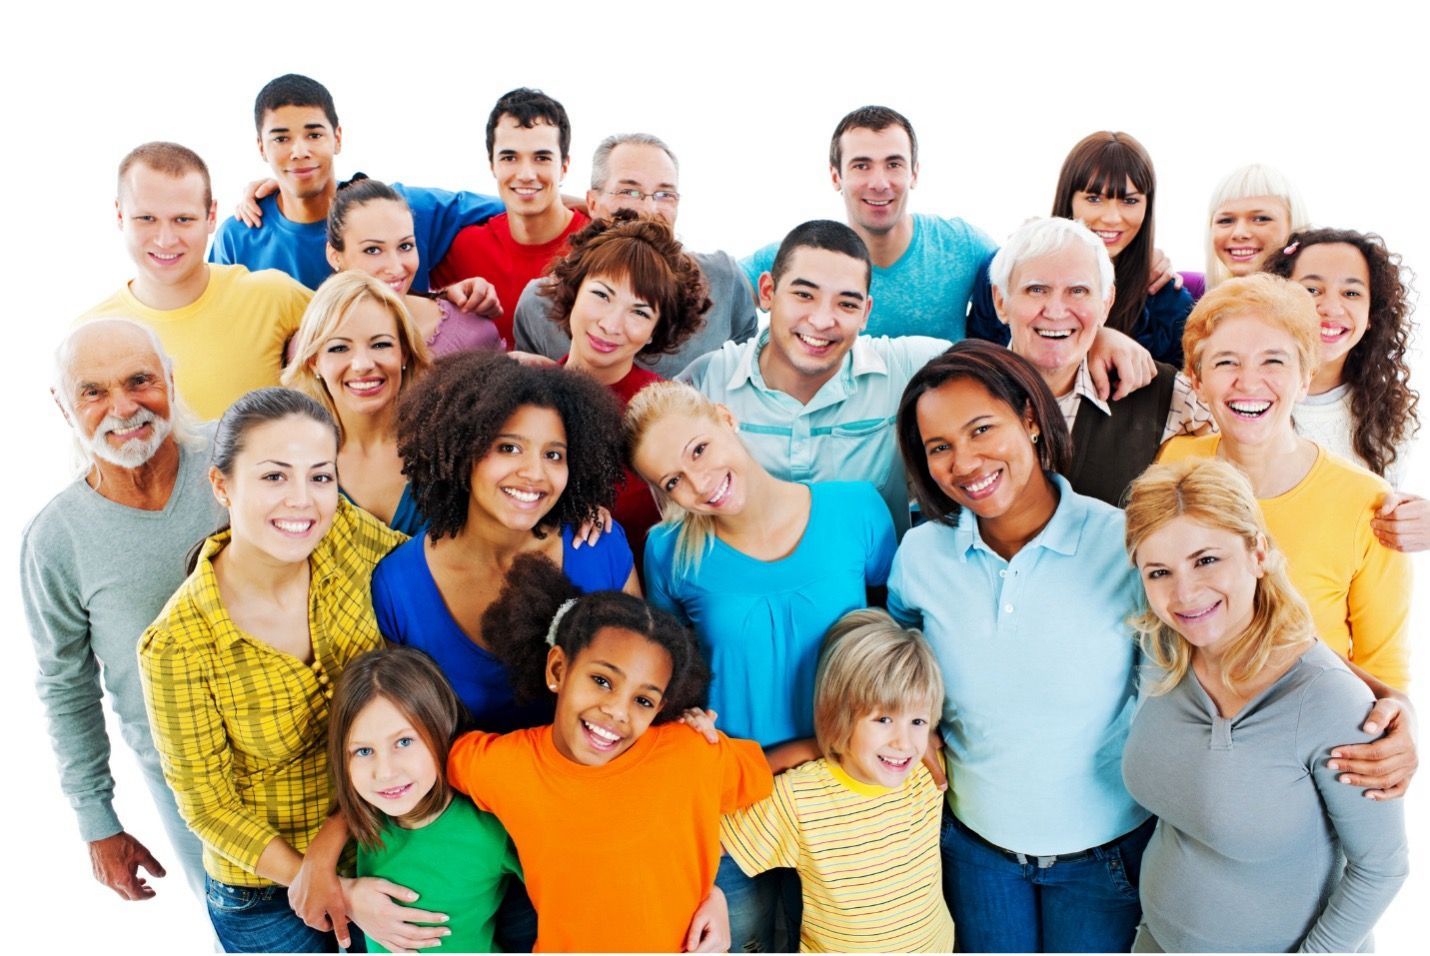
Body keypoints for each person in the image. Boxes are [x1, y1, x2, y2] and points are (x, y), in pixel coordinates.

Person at [888, 340, 1152, 953]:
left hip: (1106, 854)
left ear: (1030, 418)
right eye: (939, 447)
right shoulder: (921, 554)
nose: (965, 462)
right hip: (976, 849)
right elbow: (901, 652)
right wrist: (917, 724)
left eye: (982, 429)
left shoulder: (1124, 544)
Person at [627, 379, 897, 951]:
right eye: (672, 481)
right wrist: (685, 717)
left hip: (845, 790)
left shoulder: (857, 509)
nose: (698, 483)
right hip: (735, 803)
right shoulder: (667, 551)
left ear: (725, 418)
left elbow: (897, 637)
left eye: (699, 450)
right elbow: (672, 676)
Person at [138, 388, 407, 953]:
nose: (303, 501)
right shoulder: (177, 645)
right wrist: (326, 882)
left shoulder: (343, 533)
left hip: (381, 840)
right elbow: (209, 808)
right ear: (222, 486)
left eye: (320, 476)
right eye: (274, 476)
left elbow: (431, 571)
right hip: (265, 897)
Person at [1121, 458, 1408, 952]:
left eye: (1206, 560)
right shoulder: (1165, 653)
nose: (1184, 593)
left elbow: (1381, 868)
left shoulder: (1331, 702)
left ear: (1258, 553)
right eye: (1160, 572)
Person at [447, 554, 772, 952]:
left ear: (661, 707)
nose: (618, 711)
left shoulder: (691, 750)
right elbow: (434, 763)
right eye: (602, 680)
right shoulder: (503, 765)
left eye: (643, 700)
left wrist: (708, 885)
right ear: (557, 669)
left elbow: (762, 776)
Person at [21, 320, 222, 906]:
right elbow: (66, 686)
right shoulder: (55, 539)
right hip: (189, 791)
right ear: (63, 405)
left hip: (316, 752)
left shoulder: (239, 457)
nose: (124, 407)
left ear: (171, 380)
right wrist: (97, 822)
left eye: (139, 380)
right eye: (94, 391)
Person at [1159, 273, 1412, 688]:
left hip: (1313, 718)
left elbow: (1384, 670)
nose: (1249, 382)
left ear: (1305, 378)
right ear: (1197, 382)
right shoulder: (1173, 463)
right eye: (1226, 362)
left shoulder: (1366, 502)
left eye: (1273, 361)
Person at [372, 351, 637, 728]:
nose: (535, 473)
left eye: (554, 455)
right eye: (508, 448)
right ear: (462, 450)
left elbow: (643, 678)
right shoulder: (398, 587)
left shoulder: (598, 546)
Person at [680, 219, 949, 536]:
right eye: (804, 295)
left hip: (874, 567)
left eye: (846, 304)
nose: (822, 321)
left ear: (865, 313)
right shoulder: (706, 381)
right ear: (768, 292)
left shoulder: (903, 367)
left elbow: (995, 370)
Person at [719, 608, 955, 953]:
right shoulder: (799, 798)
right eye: (884, 719)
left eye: (917, 722)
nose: (903, 742)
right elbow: (711, 839)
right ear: (839, 715)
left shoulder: (926, 773)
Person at [987, 217, 1212, 506]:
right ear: (1001, 301)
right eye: (1037, 289)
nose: (1055, 311)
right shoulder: (963, 393)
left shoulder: (1166, 394)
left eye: (1078, 291)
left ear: (1106, 304)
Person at [80, 142, 311, 420]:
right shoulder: (91, 335)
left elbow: (360, 319)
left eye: (183, 219)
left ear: (211, 216)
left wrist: (302, 195)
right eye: (146, 218)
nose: (165, 240)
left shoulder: (273, 296)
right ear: (120, 215)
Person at [210, 73, 504, 292]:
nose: (299, 151)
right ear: (261, 147)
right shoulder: (238, 236)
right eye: (281, 139)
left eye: (314, 135)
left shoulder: (399, 211)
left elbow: (511, 207)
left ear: (337, 138)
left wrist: (449, 297)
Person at [513, 132, 758, 376]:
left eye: (665, 195)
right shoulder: (538, 304)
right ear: (593, 203)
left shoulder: (725, 280)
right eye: (629, 192)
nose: (648, 209)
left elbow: (751, 374)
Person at [328, 646, 521, 954]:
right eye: (364, 751)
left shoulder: (490, 827)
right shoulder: (368, 818)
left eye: (404, 741)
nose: (385, 772)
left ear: (441, 729)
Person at [741, 106, 995, 340]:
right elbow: (724, 288)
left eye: (893, 164)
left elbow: (1015, 289)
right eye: (862, 166)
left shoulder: (962, 246)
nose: (879, 183)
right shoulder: (798, 256)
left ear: (914, 173)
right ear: (836, 176)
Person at [544, 212, 711, 559]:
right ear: (574, 291)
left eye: (640, 312)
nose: (611, 324)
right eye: (601, 295)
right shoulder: (529, 394)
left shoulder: (668, 413)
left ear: (655, 330)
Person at [969, 131, 1194, 367]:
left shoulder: (1169, 305)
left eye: (1129, 201)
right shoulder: (1004, 272)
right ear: (1069, 198)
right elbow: (976, 364)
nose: (1112, 218)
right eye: (1094, 199)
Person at [432, 88, 590, 344]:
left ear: (564, 166)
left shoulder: (599, 243)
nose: (526, 174)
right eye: (509, 157)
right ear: (492, 164)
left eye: (541, 158)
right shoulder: (465, 248)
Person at [282, 270, 434, 535]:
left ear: (404, 353)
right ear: (314, 362)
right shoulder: (289, 460)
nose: (362, 364)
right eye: (339, 348)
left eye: (381, 345)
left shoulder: (444, 445)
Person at [1265, 228, 1420, 486]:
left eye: (1351, 293)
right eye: (1312, 290)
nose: (1331, 309)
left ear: (1372, 315)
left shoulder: (1388, 415)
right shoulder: (1242, 393)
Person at [323, 176, 504, 355]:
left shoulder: (470, 332)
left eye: (405, 246)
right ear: (335, 256)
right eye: (373, 250)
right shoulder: (315, 339)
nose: (396, 268)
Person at [1202, 162, 1310, 292]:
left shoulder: (1319, 301)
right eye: (1226, 220)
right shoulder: (1193, 290)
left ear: (1293, 226)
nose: (1239, 233)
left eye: (1261, 219)